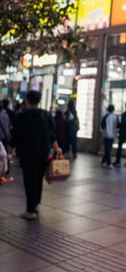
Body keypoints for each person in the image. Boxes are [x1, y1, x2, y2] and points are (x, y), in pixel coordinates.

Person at [11, 90, 63, 220]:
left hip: (27, 154)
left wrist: (9, 150)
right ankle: (36, 204)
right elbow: (52, 135)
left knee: (29, 181)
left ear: (27, 101)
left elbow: (16, 136)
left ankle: (30, 210)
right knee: (38, 179)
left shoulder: (23, 116)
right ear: (39, 101)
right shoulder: (46, 116)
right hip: (43, 153)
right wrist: (57, 148)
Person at [100, 104, 118, 169]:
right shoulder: (115, 117)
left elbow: (102, 126)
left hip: (106, 134)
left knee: (107, 149)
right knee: (109, 148)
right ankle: (105, 161)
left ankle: (108, 162)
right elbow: (117, 126)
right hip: (112, 135)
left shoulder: (105, 116)